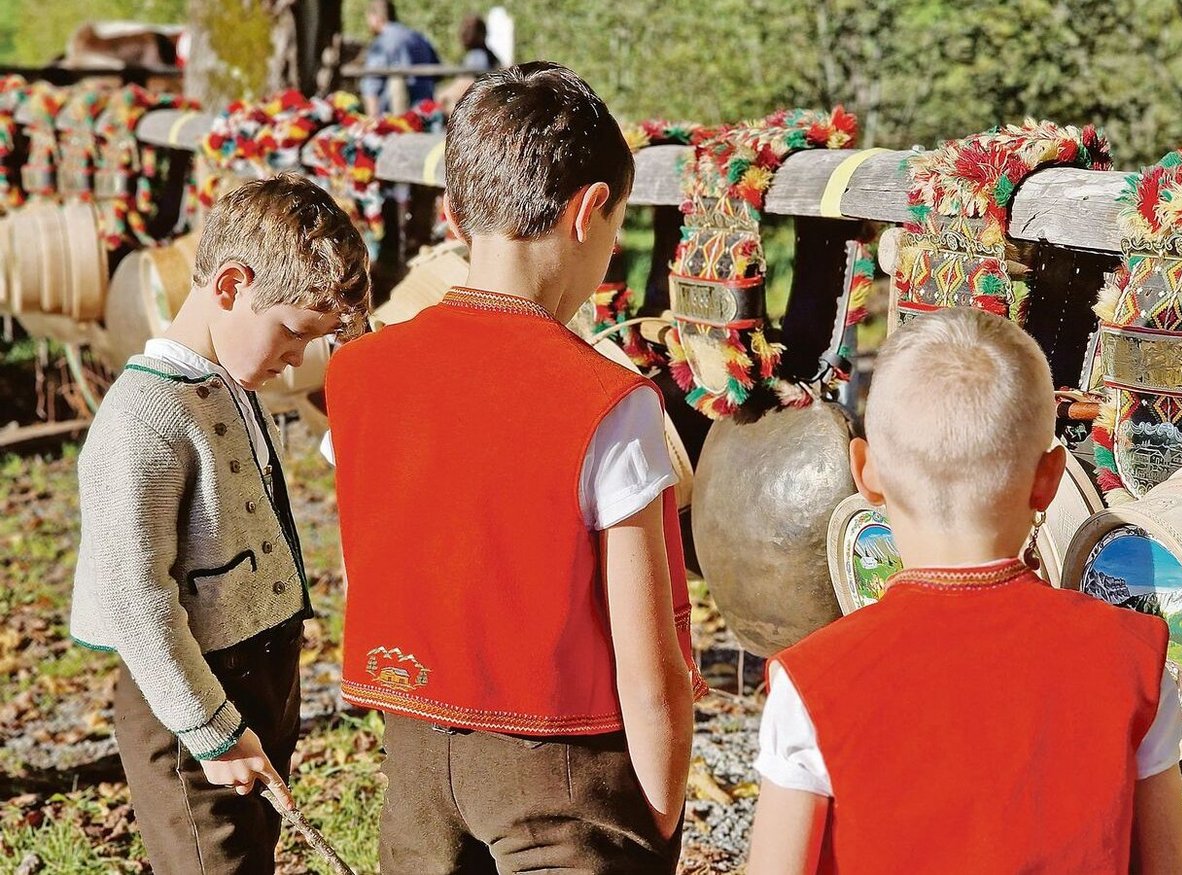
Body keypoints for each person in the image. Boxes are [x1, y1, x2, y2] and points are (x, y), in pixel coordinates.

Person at [325, 62, 705, 873]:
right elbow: (650, 669)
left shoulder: (359, 373)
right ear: (589, 211)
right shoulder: (609, 402)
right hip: (564, 768)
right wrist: (660, 817)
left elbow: (371, 564)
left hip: (415, 748)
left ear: (456, 212)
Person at [746, 308, 1182, 874]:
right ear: (1049, 479)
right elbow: (1167, 861)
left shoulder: (812, 682)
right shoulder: (1136, 661)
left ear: (866, 472)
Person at [69, 174, 370, 874]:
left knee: (250, 857)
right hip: (187, 700)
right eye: (294, 333)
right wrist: (211, 728)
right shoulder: (142, 419)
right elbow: (134, 598)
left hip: (262, 678)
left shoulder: (229, 383)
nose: (298, 358)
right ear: (231, 285)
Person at [359, 0, 440, 116]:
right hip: (426, 113)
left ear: (376, 17)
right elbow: (437, 71)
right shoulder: (417, 37)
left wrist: (372, 122)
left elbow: (372, 86)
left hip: (395, 119)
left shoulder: (381, 43)